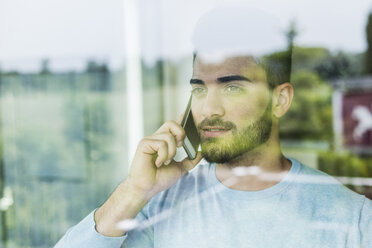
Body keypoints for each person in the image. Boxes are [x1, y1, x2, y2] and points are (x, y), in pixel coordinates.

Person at [55, 4, 372, 248]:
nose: (208, 109)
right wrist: (134, 190)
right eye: (199, 89)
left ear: (280, 100)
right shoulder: (158, 203)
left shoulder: (353, 219)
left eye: (233, 88)